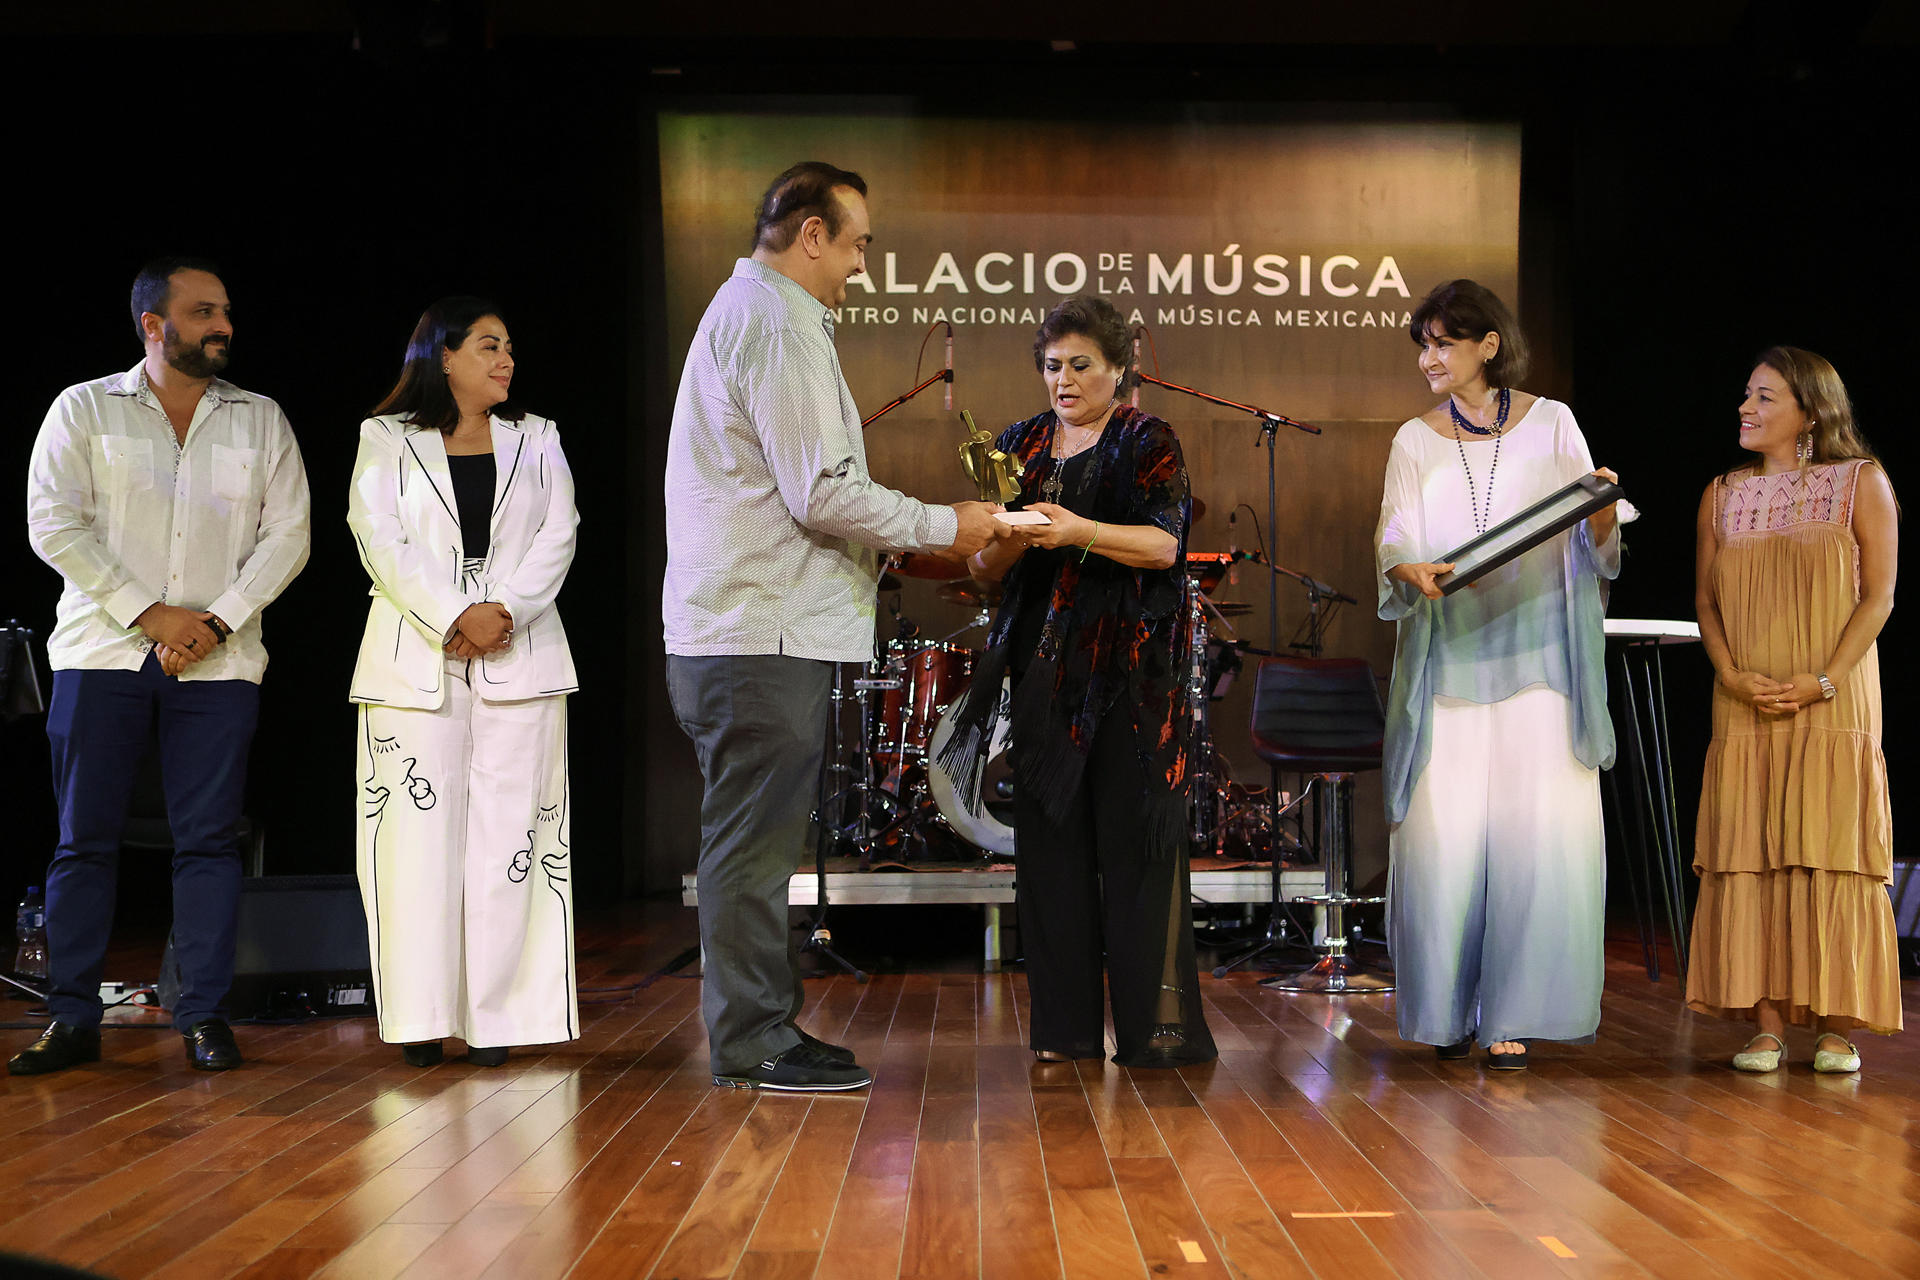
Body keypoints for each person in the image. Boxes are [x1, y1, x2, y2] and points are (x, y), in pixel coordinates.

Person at [663, 161, 1003, 1092]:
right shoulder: (774, 323)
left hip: (749, 632)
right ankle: (750, 1041)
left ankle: (765, 1025)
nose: (861, 267)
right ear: (809, 234)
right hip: (757, 639)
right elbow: (821, 492)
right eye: (856, 245)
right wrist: (950, 525)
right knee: (748, 851)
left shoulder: (760, 316)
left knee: (755, 849)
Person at [15, 256, 311, 1076]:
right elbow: (53, 524)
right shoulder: (84, 409)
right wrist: (152, 615)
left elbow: (288, 538)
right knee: (84, 842)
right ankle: (72, 1019)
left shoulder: (260, 418)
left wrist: (211, 624)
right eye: (204, 311)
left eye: (224, 311)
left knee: (208, 842)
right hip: (103, 652)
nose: (224, 325)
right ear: (155, 325)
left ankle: (204, 1014)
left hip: (219, 663)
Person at [942, 295, 1216, 1068]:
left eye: (1080, 365)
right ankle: (1063, 1034)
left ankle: (1156, 1034)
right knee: (1051, 859)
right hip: (1042, 677)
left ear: (1119, 369)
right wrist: (1007, 536)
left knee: (1135, 854)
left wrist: (1076, 531)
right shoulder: (1019, 444)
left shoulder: (1146, 438)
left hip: (1131, 676)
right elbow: (982, 568)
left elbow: (1164, 548)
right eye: (1052, 365)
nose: (1062, 379)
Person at [1374, 279, 1621, 1070]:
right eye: (1424, 343)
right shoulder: (1414, 439)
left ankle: (1511, 1014)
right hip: (1449, 657)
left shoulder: (1554, 424)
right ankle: (1446, 1012)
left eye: (1443, 342)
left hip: (1539, 659)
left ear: (1488, 344)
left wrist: (1607, 512)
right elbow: (1396, 534)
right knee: (1441, 843)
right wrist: (1406, 568)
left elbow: (1594, 535)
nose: (1428, 358)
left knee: (1534, 841)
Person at [347, 297, 580, 1068]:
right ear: (442, 357)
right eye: (487, 345)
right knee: (413, 846)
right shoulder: (385, 439)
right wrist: (455, 614)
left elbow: (559, 533)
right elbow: (378, 537)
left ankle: (500, 1020)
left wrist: (501, 610)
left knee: (514, 841)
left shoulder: (538, 437)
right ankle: (420, 1016)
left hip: (520, 655)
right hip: (416, 661)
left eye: (509, 346)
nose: (505, 358)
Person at [1687, 347, 1900, 1074]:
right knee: (1752, 849)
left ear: (1811, 412)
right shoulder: (1720, 493)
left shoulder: (1861, 483)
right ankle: (1767, 1024)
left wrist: (1825, 680)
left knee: (1831, 848)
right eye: (1747, 395)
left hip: (1831, 696)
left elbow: (1879, 596)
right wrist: (1731, 674)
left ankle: (1839, 1027)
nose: (1745, 409)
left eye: (1765, 398)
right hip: (1744, 698)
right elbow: (1706, 602)